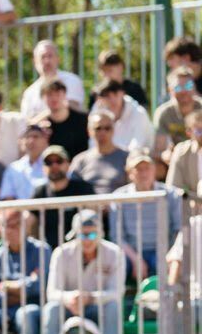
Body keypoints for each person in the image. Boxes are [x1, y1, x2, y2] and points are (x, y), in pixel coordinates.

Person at [41, 209, 125, 334]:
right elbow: (52, 293)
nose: (88, 240)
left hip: (98, 307)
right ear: (74, 234)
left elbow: (117, 292)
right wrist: (71, 298)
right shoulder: (61, 253)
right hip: (68, 307)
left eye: (92, 234)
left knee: (113, 307)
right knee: (51, 309)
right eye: (82, 235)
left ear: (100, 233)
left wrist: (90, 298)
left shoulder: (114, 253)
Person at [112, 151, 183, 283]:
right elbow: (117, 236)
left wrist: (172, 252)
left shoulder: (171, 194)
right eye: (138, 169)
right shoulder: (119, 196)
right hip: (130, 253)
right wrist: (136, 259)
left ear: (154, 170)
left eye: (147, 168)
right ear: (129, 172)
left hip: (164, 250)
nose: (143, 173)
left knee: (172, 265)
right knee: (113, 266)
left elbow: (179, 229)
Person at [30, 145, 96, 250]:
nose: (54, 166)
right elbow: (29, 221)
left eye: (59, 161)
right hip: (47, 251)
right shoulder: (40, 192)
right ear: (43, 168)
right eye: (49, 163)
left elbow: (94, 218)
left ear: (68, 164)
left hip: (80, 248)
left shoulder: (83, 188)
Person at [19, 40, 86, 119]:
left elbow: (73, 108)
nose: (47, 61)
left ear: (58, 59)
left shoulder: (72, 80)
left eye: (50, 56)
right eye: (42, 57)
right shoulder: (29, 93)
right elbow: (27, 121)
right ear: (35, 61)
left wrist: (40, 118)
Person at [70, 112, 128, 195]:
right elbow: (72, 187)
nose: (102, 132)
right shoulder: (80, 160)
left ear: (114, 130)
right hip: (88, 206)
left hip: (118, 206)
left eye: (107, 128)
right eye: (98, 128)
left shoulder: (126, 157)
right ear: (89, 131)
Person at [90, 79, 154, 154]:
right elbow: (93, 142)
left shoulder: (139, 113)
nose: (112, 99)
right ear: (100, 99)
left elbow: (137, 146)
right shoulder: (97, 111)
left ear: (122, 93)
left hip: (135, 160)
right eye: (107, 96)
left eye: (115, 94)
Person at [34, 79, 88, 159]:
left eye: (58, 94)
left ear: (65, 95)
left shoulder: (84, 120)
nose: (54, 98)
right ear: (42, 98)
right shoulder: (39, 126)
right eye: (49, 95)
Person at [155, 68, 199, 167]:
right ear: (170, 90)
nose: (183, 91)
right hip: (175, 161)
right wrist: (166, 155)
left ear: (194, 87)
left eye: (188, 86)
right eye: (178, 88)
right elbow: (160, 149)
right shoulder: (164, 113)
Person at [0, 121, 52, 200]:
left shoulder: (53, 163)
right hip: (20, 211)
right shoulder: (13, 168)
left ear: (45, 141)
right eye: (27, 137)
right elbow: (8, 198)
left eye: (36, 136)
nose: (31, 141)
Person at [164, 98, 202, 196]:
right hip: (193, 207)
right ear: (189, 132)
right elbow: (173, 188)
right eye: (199, 131)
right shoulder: (181, 151)